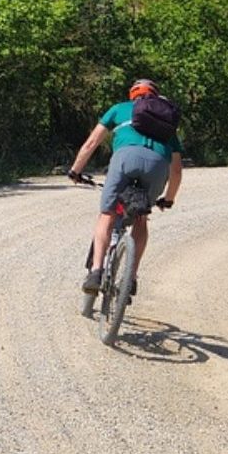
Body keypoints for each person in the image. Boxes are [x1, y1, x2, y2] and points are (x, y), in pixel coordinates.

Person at [66, 79, 183, 299]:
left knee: (107, 215)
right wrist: (168, 199)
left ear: (133, 95)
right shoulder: (167, 124)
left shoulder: (119, 109)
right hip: (157, 165)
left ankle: (96, 272)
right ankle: (130, 278)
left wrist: (75, 171)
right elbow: (176, 170)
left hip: (125, 159)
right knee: (140, 218)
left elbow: (91, 143)